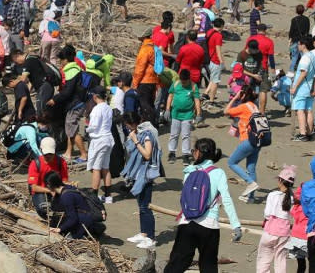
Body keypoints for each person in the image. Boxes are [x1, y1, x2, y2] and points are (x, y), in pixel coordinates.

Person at [163, 138, 242, 273]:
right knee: (208, 266)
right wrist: (236, 225)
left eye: (194, 151)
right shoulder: (219, 173)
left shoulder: (189, 171)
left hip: (186, 223)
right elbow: (227, 200)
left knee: (176, 264)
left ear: (198, 153)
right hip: (209, 225)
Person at [122, 112, 161, 250]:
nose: (127, 127)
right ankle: (144, 233)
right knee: (141, 207)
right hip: (138, 174)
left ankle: (151, 237)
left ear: (133, 123)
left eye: (127, 125)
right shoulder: (138, 132)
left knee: (146, 207)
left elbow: (147, 154)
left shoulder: (146, 134)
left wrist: (135, 141)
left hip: (145, 175)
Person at [48, 45, 91, 163]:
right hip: (77, 103)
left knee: (72, 130)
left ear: (66, 60)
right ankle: (68, 152)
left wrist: (54, 99)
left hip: (76, 104)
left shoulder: (72, 71)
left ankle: (83, 154)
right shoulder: (76, 68)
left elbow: (67, 92)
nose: (60, 62)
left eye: (61, 60)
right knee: (70, 129)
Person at [224, 86, 262, 202]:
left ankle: (250, 182)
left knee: (231, 162)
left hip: (248, 140)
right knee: (251, 168)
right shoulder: (255, 107)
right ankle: (251, 197)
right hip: (258, 142)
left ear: (243, 95)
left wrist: (235, 98)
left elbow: (226, 111)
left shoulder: (244, 107)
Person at [256, 165, 296, 273]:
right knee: (280, 260)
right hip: (284, 233)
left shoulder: (273, 195)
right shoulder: (293, 199)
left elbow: (267, 214)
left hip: (270, 230)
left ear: (280, 180)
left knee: (263, 259)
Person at [45, 171, 105, 239]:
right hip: (87, 214)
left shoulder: (66, 196)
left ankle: (90, 230)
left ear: (49, 185)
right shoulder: (68, 187)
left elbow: (73, 218)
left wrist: (60, 229)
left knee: (68, 238)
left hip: (83, 220)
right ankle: (94, 227)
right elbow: (56, 207)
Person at [27, 137, 69, 219]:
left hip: (57, 189)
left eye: (51, 154)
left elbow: (64, 181)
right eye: (46, 154)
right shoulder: (35, 163)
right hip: (41, 191)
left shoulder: (61, 162)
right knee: (43, 209)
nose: (48, 156)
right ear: (41, 150)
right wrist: (50, 190)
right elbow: (34, 187)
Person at [86, 86, 114, 202]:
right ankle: (108, 196)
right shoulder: (108, 107)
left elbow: (94, 126)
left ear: (95, 96)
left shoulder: (97, 109)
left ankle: (94, 195)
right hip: (108, 138)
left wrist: (87, 129)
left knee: (96, 168)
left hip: (100, 140)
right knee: (105, 167)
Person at [166, 69, 200, 164]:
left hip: (188, 114)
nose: (183, 83)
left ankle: (186, 154)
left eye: (185, 82)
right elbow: (170, 96)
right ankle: (172, 153)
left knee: (186, 135)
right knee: (174, 134)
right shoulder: (176, 84)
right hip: (175, 114)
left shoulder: (193, 86)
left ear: (189, 79)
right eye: (182, 81)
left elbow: (197, 100)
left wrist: (198, 114)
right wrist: (167, 109)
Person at [291, 36, 315, 141]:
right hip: (310, 86)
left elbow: (303, 73)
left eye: (299, 44)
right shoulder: (313, 56)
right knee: (309, 110)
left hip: (302, 87)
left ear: (303, 45)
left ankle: (303, 134)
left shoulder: (305, 57)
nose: (298, 46)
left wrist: (295, 87)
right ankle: (309, 132)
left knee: (300, 110)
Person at [132, 27, 160, 128]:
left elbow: (140, 69)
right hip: (153, 80)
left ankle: (151, 125)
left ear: (142, 37)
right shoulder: (153, 47)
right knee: (150, 103)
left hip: (145, 80)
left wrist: (135, 83)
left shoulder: (145, 49)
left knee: (145, 105)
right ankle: (153, 123)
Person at [201, 19, 226, 106]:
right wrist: (222, 61)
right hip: (215, 59)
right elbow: (218, 49)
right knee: (215, 81)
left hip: (208, 58)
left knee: (212, 78)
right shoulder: (218, 36)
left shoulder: (209, 32)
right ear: (222, 26)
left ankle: (205, 93)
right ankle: (211, 100)